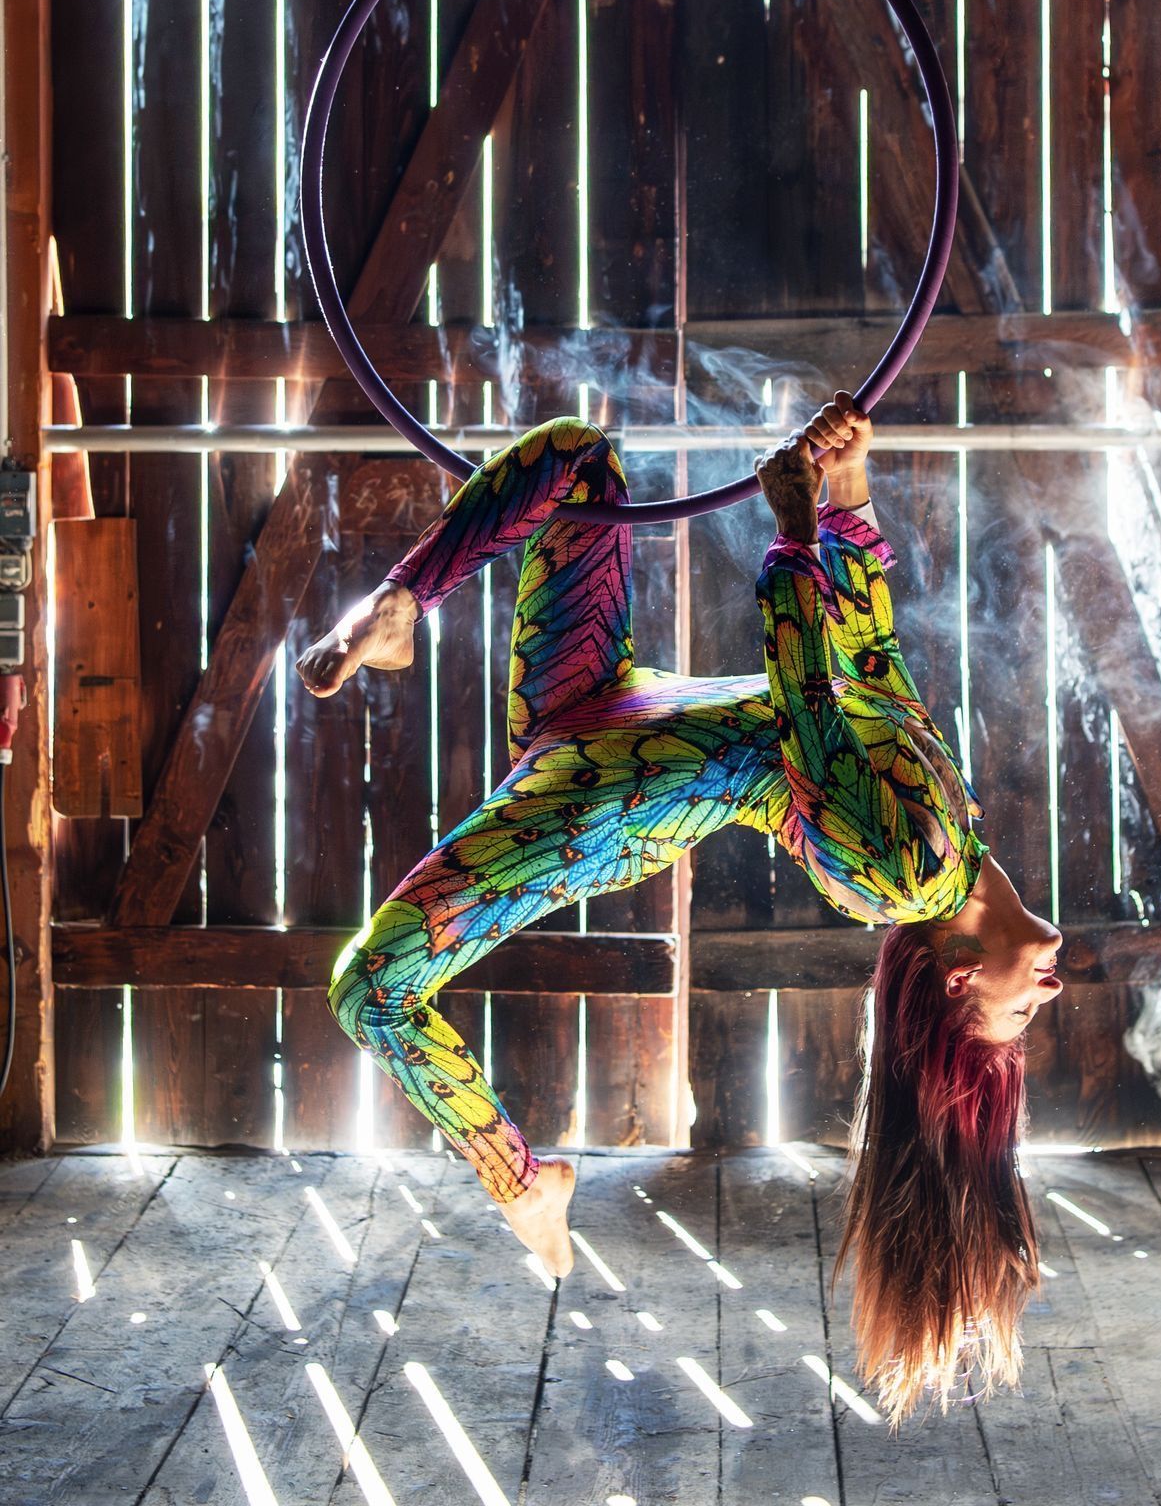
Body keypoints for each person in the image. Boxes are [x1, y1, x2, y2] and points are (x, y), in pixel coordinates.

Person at [301, 395, 1062, 1420]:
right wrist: (846, 489)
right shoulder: (952, 830)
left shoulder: (904, 875)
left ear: (963, 976)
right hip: (609, 702)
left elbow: (810, 700)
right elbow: (869, 652)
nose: (1048, 991)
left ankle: (522, 1178)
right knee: (579, 457)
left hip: (606, 801)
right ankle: (400, 603)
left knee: (373, 988)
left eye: (1021, 1011)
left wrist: (793, 536)